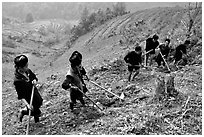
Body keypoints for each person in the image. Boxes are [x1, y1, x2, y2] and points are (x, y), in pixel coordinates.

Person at [13, 55, 43, 123]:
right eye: (25, 66)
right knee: (33, 110)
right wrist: (27, 105)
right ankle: (23, 112)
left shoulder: (28, 71)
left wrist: (34, 80)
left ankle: (35, 117)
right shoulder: (17, 80)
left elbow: (34, 77)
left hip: (34, 91)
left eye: (27, 65)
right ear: (20, 67)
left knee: (39, 102)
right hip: (28, 97)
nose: (27, 67)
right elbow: (20, 95)